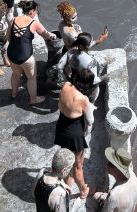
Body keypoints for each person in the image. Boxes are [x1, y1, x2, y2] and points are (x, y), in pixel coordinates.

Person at [7, 1, 58, 105]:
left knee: (16, 74)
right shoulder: (34, 23)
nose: (36, 13)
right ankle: (33, 99)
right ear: (31, 11)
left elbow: (7, 37)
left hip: (11, 54)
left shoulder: (13, 19)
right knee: (31, 78)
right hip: (26, 57)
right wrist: (53, 35)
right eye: (36, 11)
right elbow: (46, 35)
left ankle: (14, 93)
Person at [54, 69, 95, 200]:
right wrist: (90, 108)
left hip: (62, 126)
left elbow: (60, 104)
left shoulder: (65, 85)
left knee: (66, 156)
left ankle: (68, 180)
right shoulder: (83, 99)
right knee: (78, 166)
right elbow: (90, 120)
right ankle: (84, 190)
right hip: (75, 134)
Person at [57, 33, 105, 103]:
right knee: (89, 101)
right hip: (89, 87)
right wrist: (103, 78)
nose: (92, 43)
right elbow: (94, 80)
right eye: (90, 42)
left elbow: (59, 67)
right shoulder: (90, 62)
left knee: (77, 99)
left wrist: (66, 79)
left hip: (75, 82)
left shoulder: (70, 52)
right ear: (82, 46)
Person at [93, 147, 137, 212]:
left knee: (96, 196)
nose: (107, 165)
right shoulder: (133, 176)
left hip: (117, 199)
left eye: (110, 164)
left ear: (117, 169)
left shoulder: (114, 195)